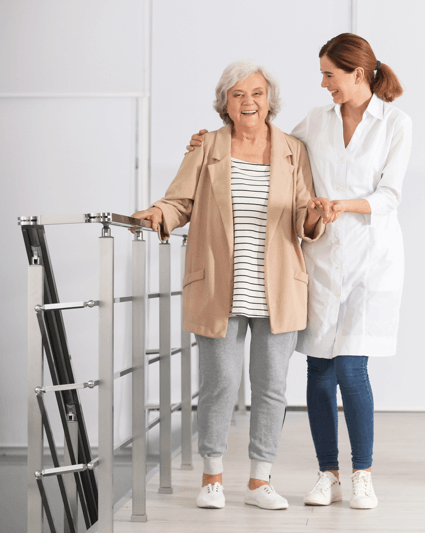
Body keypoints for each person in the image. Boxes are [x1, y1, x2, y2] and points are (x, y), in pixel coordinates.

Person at [186, 33, 412, 510]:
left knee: (352, 369)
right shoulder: (316, 122)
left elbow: (390, 196)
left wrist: (339, 205)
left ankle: (362, 474)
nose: (324, 83)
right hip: (319, 258)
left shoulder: (395, 123)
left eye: (330, 74)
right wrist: (210, 140)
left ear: (356, 72)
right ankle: (326, 473)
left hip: (371, 261)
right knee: (317, 369)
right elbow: (269, 141)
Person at [133, 60, 326, 511]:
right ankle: (212, 477)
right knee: (220, 382)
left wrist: (315, 214)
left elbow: (302, 214)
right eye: (238, 94)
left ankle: (260, 481)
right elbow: (179, 200)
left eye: (256, 93)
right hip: (219, 284)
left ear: (269, 100)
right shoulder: (207, 147)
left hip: (277, 287)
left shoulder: (294, 150)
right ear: (225, 102)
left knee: (272, 386)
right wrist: (157, 214)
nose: (248, 102)